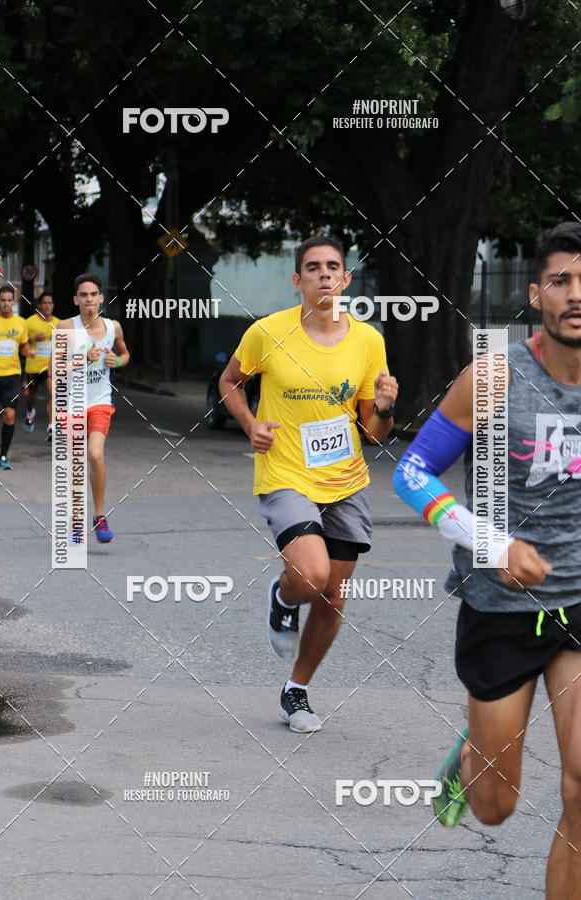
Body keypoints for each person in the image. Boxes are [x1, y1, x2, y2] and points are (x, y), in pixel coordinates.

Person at [393, 221, 581, 896]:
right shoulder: (496, 376)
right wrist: (490, 543)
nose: (575, 293)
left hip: (578, 601)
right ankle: (472, 754)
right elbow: (412, 472)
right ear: (536, 294)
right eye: (561, 280)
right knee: (495, 806)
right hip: (499, 608)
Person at [219, 236, 398, 733]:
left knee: (334, 595)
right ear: (298, 281)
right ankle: (282, 599)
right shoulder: (266, 333)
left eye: (333, 267)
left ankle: (296, 690)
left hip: (345, 479)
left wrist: (384, 407)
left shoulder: (367, 341)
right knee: (311, 575)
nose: (323, 274)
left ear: (345, 280)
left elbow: (373, 434)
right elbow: (230, 381)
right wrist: (249, 422)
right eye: (312, 267)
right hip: (285, 474)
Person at [55, 274, 130, 543]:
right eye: (83, 295)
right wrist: (82, 359)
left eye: (93, 294)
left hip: (100, 402)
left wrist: (116, 361)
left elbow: (124, 354)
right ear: (76, 299)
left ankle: (99, 516)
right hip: (71, 404)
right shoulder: (65, 327)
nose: (89, 299)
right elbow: (55, 368)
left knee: (95, 455)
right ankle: (76, 519)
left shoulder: (113, 328)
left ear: (101, 298)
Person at [0, 286, 30, 469]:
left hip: (12, 375)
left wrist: (29, 351)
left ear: (14, 301)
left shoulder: (21, 323)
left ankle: (2, 455)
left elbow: (23, 346)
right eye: (3, 300)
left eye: (9, 300)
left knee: (9, 415)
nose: (6, 303)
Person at [23, 292, 60, 441]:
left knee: (53, 393)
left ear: (53, 305)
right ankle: (30, 412)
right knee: (32, 395)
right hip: (34, 366)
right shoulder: (29, 322)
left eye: (50, 303)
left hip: (51, 367)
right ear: (39, 306)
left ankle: (51, 427)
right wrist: (33, 339)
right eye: (44, 303)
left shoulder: (60, 323)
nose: (47, 306)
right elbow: (21, 342)